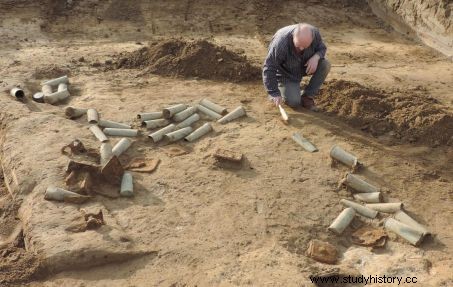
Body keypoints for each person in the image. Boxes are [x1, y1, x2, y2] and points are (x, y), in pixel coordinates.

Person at [262, 23, 331, 111]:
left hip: (304, 65)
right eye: (298, 46)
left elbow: (322, 48)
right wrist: (274, 93)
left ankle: (307, 96)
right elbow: (269, 67)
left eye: (305, 46)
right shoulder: (280, 43)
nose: (301, 48)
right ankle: (283, 87)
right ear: (293, 36)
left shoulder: (314, 33)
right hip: (286, 73)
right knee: (294, 102)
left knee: (325, 65)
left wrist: (316, 57)